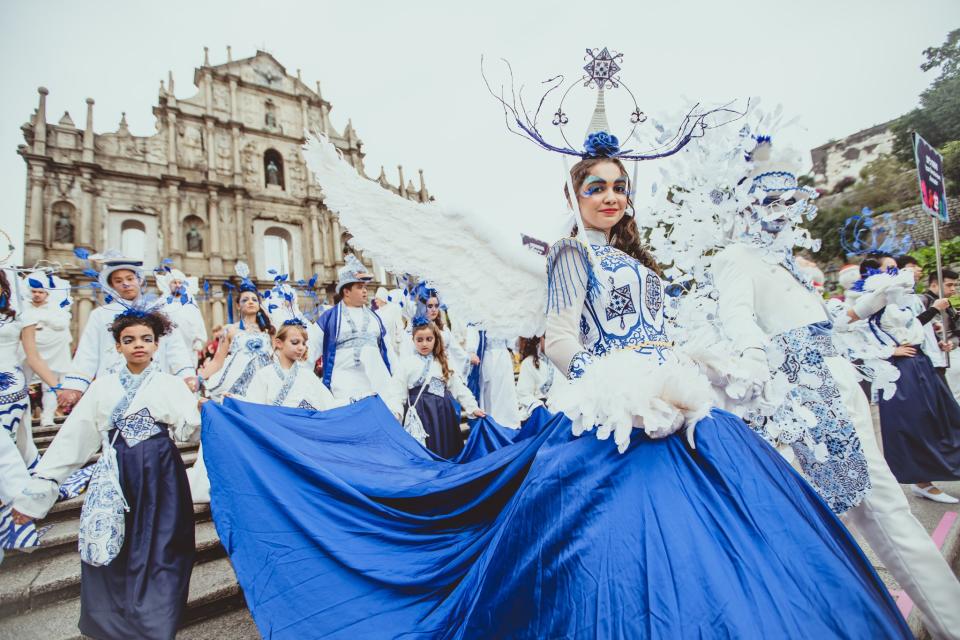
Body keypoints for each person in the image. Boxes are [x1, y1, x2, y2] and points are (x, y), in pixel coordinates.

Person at [712, 176, 960, 637]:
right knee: (852, 513)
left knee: (882, 507)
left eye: (790, 201)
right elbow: (737, 319)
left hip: (839, 382)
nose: (782, 210)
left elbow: (829, 322)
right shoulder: (736, 258)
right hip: (808, 396)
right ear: (745, 209)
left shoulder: (787, 262)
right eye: (770, 201)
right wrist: (759, 364)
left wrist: (877, 299)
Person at [11, 310, 200, 640]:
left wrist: (202, 413)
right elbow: (73, 439)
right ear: (117, 347)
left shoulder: (170, 384)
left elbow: (189, 432)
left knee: (164, 545)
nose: (138, 345)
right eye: (129, 340)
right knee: (113, 543)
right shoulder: (103, 388)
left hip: (162, 472)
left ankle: (154, 621)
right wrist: (35, 496)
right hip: (117, 472)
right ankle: (113, 621)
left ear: (157, 344)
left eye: (146, 339)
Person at [858, 256, 960, 504]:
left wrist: (936, 335)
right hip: (898, 370)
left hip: (920, 362)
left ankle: (947, 469)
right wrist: (889, 352)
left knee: (944, 416)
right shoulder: (866, 301)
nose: (899, 272)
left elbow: (913, 326)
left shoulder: (900, 299)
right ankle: (922, 482)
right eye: (891, 268)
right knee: (914, 424)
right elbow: (850, 335)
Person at [56, 253, 197, 412]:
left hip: (154, 385)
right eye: (118, 281)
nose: (125, 284)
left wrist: (186, 374)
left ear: (139, 280)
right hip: (113, 387)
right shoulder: (100, 315)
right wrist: (75, 385)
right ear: (111, 286)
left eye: (130, 279)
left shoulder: (158, 311)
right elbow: (88, 352)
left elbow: (175, 347)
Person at [390, 318, 484, 457]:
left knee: (446, 450)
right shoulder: (406, 364)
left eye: (429, 339)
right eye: (419, 340)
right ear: (413, 340)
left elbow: (458, 387)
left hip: (442, 414)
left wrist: (473, 407)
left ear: (435, 339)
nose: (425, 343)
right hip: (419, 416)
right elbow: (397, 392)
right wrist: (396, 412)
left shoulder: (442, 362)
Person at [316, 255, 393, 405]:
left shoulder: (375, 319)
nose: (365, 291)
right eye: (359, 287)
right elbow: (309, 350)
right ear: (346, 291)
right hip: (343, 389)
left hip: (377, 388)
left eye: (365, 287)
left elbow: (389, 352)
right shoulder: (329, 319)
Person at [245, 319, 337, 410]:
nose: (301, 348)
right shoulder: (264, 375)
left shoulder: (308, 375)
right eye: (295, 342)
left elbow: (330, 405)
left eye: (304, 343)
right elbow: (253, 408)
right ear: (279, 343)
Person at [21, 271, 72, 427]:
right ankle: (23, 416)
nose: (37, 295)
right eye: (34, 291)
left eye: (40, 292)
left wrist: (40, 317)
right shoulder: (22, 306)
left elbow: (61, 324)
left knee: (51, 384)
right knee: (22, 383)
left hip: (54, 350)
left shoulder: (56, 307)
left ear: (46, 293)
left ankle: (47, 417)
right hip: (27, 350)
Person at [156, 267, 207, 359]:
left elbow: (198, 321)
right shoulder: (161, 303)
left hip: (188, 347)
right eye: (175, 282)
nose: (178, 285)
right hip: (167, 347)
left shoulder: (190, 303)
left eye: (180, 283)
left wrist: (198, 340)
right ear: (169, 285)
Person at [515, 336, 559, 422]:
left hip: (559, 410)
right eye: (546, 337)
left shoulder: (559, 360)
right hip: (540, 414)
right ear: (539, 339)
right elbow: (523, 393)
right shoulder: (528, 362)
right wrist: (538, 406)